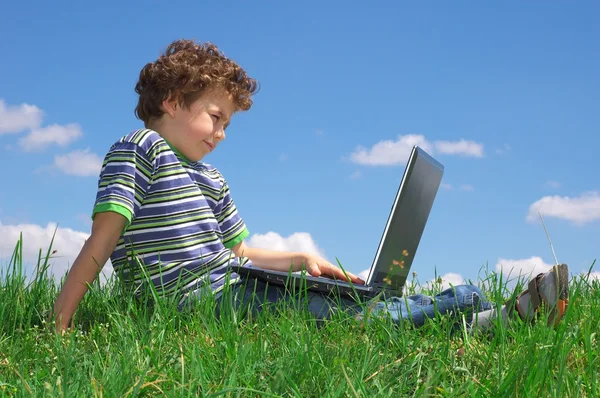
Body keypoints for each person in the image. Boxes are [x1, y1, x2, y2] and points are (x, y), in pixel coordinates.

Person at [52, 39, 569, 332]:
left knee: (338, 308)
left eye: (228, 123)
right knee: (326, 317)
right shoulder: (139, 149)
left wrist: (298, 259)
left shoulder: (211, 177)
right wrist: (61, 322)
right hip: (192, 303)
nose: (221, 133)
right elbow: (103, 239)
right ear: (171, 100)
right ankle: (473, 304)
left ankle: (488, 320)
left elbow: (239, 250)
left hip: (232, 286)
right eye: (215, 116)